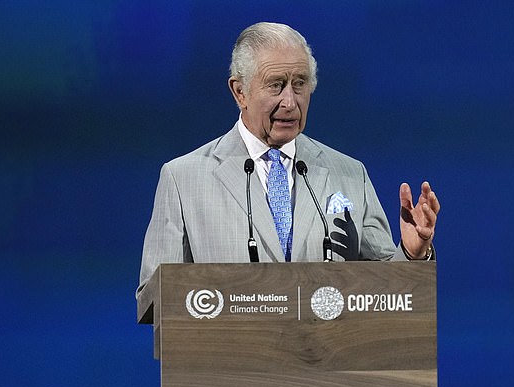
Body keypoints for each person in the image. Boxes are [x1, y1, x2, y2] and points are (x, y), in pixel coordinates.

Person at [137, 22, 440, 297]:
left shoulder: (349, 174)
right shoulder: (184, 179)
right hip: (230, 354)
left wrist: (412, 254)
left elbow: (385, 293)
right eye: (276, 84)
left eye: (300, 84)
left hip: (327, 355)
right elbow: (155, 295)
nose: (290, 101)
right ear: (240, 92)